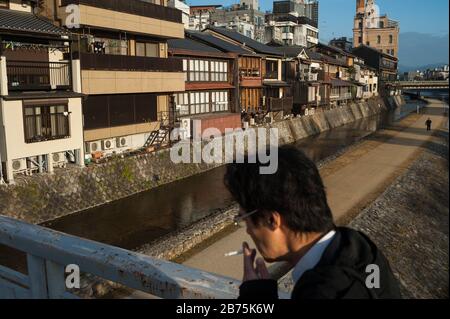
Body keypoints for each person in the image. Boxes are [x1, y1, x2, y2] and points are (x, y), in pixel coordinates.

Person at [224, 145, 402, 299]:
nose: (247, 230)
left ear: (272, 220)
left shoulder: (322, 292)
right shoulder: (361, 247)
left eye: (244, 219)